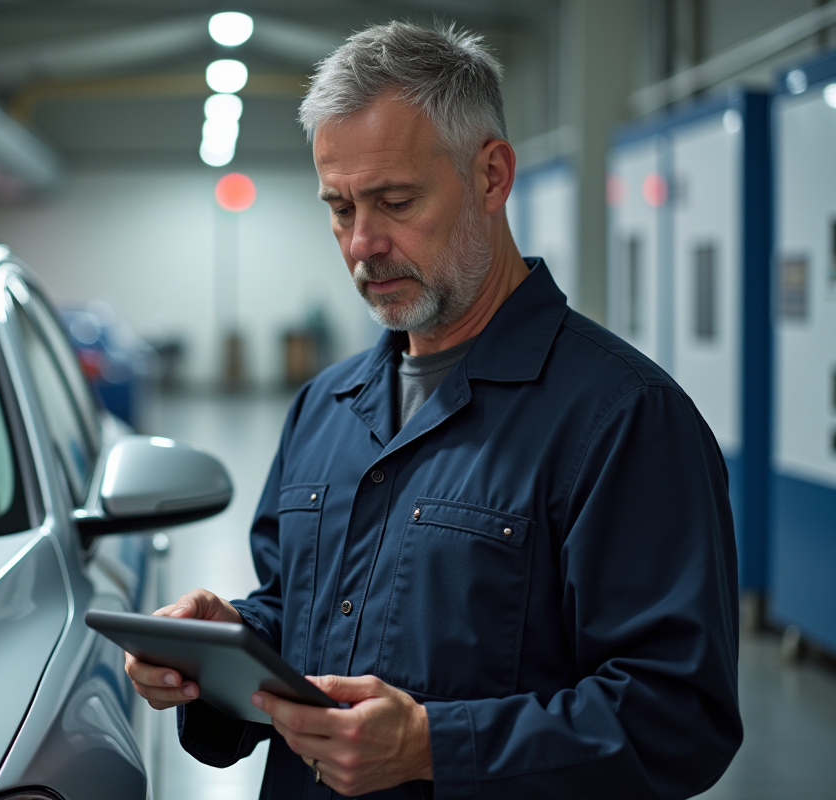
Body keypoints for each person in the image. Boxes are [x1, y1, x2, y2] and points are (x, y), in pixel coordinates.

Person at [125, 21, 742, 799]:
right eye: (340, 208)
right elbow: (303, 616)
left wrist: (433, 747)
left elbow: (677, 716)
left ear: (491, 176)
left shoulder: (623, 420)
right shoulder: (326, 407)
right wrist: (227, 647)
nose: (362, 244)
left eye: (395, 202)